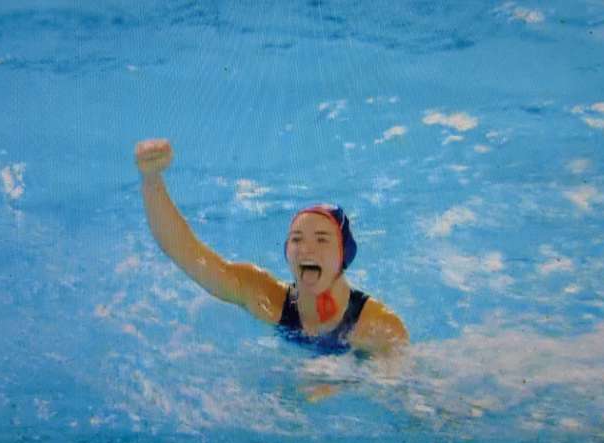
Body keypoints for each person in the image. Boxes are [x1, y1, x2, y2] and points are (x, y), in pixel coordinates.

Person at [135, 138, 409, 356]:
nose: (306, 249)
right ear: (286, 252)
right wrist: (151, 180)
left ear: (343, 255)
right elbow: (188, 254)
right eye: (297, 239)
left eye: (322, 239)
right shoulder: (267, 299)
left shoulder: (378, 326)